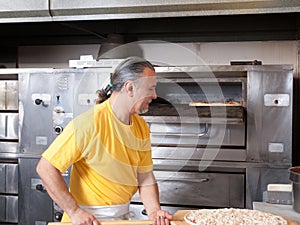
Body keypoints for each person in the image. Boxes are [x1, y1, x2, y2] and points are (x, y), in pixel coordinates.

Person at [36, 56, 173, 225]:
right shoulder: (89, 123)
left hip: (119, 219)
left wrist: (154, 211)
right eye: (150, 89)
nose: (154, 95)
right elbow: (46, 168)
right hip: (87, 220)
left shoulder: (141, 126)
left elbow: (144, 175)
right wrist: (74, 211)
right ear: (129, 88)